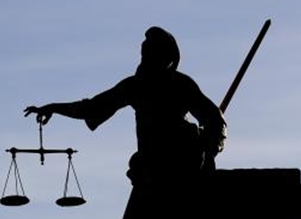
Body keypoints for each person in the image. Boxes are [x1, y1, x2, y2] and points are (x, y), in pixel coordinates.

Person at [24, 27, 225, 186]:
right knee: (139, 168)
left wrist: (208, 151)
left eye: (152, 50)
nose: (146, 54)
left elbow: (214, 120)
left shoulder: (180, 84)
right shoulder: (135, 86)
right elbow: (93, 108)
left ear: (166, 56)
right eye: (144, 50)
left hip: (182, 160)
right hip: (151, 162)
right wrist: (53, 107)